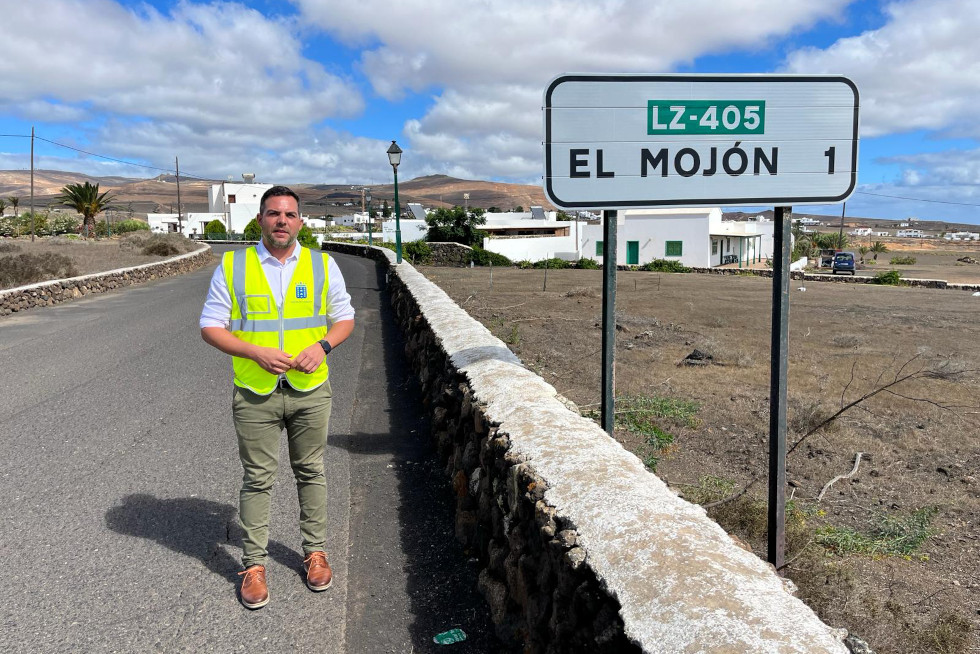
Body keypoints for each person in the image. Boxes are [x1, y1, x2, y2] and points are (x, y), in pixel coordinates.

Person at [200, 185, 355, 609]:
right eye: (273, 214)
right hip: (255, 392)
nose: (281, 221)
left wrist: (321, 347)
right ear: (260, 220)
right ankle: (253, 565)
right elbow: (211, 326)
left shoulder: (323, 265)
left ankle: (315, 553)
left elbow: (344, 319)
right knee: (257, 479)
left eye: (289, 214)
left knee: (311, 470)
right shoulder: (233, 266)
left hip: (310, 390)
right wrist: (255, 351)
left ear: (300, 222)